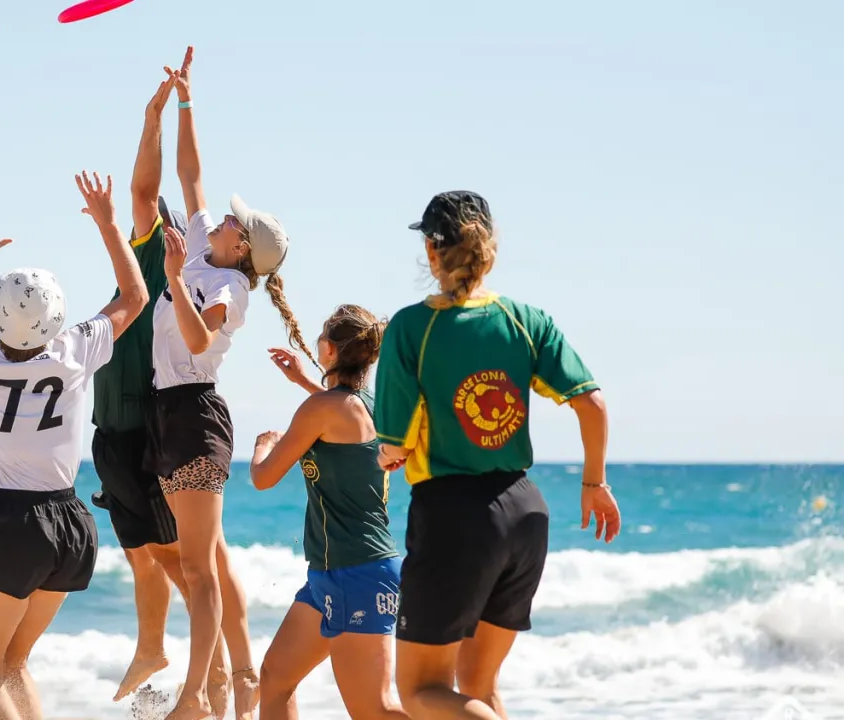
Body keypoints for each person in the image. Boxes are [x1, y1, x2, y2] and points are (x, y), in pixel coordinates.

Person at [373, 191, 623, 720]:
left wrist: (389, 455)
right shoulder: (525, 320)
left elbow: (395, 441)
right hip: (525, 513)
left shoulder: (412, 328)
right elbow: (593, 404)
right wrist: (594, 483)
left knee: (420, 691)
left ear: (432, 250)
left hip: (455, 517)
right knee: (477, 686)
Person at [0, 171, 148, 720]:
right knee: (13, 661)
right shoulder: (74, 350)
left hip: (13, 522)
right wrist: (109, 225)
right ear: (55, 317)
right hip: (71, 523)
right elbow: (135, 297)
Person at [149, 46, 316, 720]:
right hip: (167, 411)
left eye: (231, 222)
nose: (220, 217)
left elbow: (197, 340)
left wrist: (170, 280)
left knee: (198, 569)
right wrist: (185, 101)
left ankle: (199, 694)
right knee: (205, 560)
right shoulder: (199, 248)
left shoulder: (230, 287)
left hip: (195, 416)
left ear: (242, 247)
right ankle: (234, 684)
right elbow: (190, 175)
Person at [87, 76, 193, 703]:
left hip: (136, 429)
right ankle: (152, 647)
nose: (140, 225)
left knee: (171, 556)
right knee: (141, 553)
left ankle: (219, 664)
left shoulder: (163, 261)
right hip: (113, 431)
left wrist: (154, 116)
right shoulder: (150, 268)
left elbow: (144, 190)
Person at [249, 305, 409, 720]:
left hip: (357, 571)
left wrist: (263, 445)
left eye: (323, 335)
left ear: (328, 349)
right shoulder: (370, 403)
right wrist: (304, 381)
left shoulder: (323, 408)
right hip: (334, 573)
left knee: (375, 710)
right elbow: (340, 414)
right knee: (276, 677)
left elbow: (264, 477)